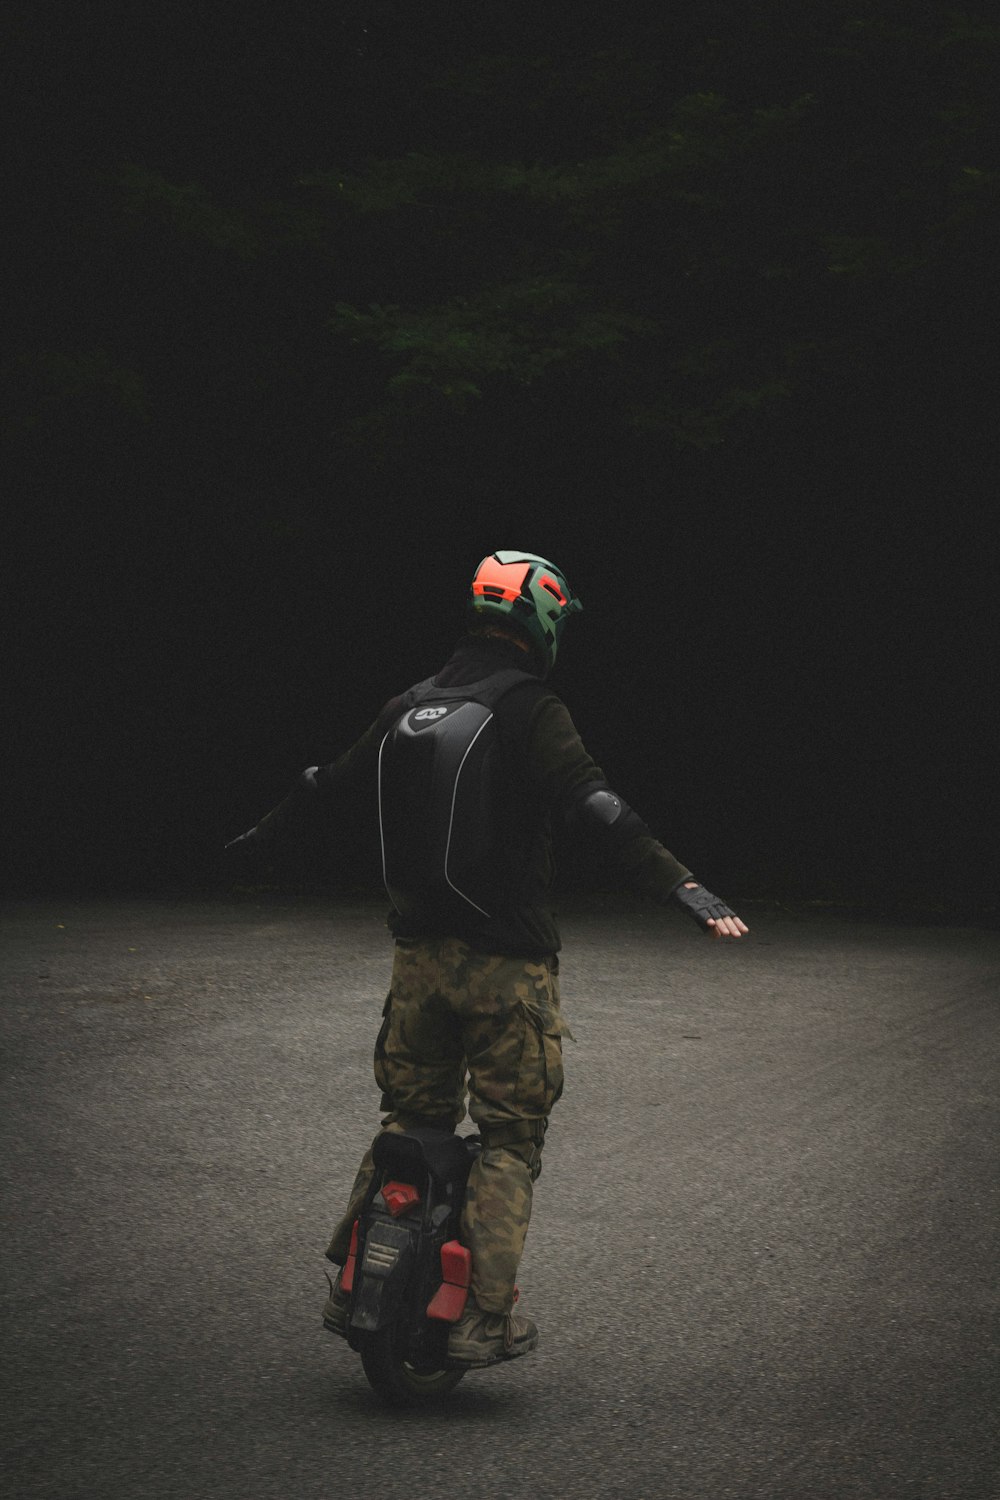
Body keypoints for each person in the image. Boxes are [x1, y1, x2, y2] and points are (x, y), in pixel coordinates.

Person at [227, 549, 748, 1368]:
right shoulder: (531, 709)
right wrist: (687, 889)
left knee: (410, 1122)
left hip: (417, 967)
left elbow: (325, 784)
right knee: (509, 1140)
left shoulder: (410, 706)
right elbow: (598, 809)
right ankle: (483, 1319)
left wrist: (257, 841)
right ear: (540, 620)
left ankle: (348, 1287)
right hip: (507, 972)